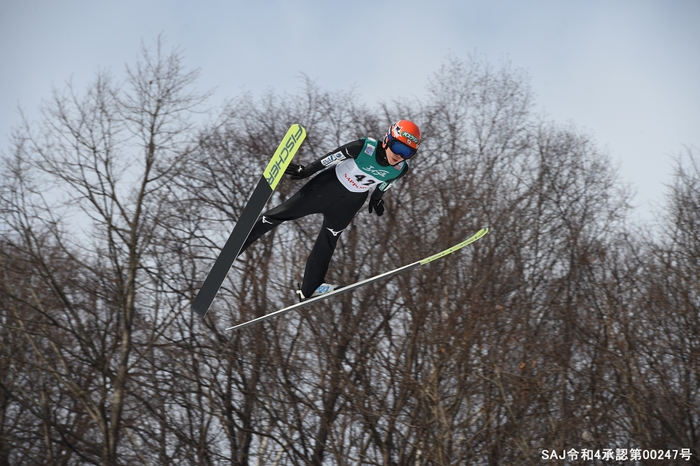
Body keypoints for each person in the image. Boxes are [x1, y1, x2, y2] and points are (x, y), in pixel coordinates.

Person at [240, 119, 421, 300]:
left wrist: (376, 199)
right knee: (282, 213)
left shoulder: (400, 169)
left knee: (329, 240)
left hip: (350, 202)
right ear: (388, 139)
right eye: (398, 148)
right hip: (326, 187)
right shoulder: (364, 147)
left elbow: (386, 183)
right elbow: (332, 157)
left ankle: (310, 288)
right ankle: (239, 244)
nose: (400, 155)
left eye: (408, 153)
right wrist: (306, 171)